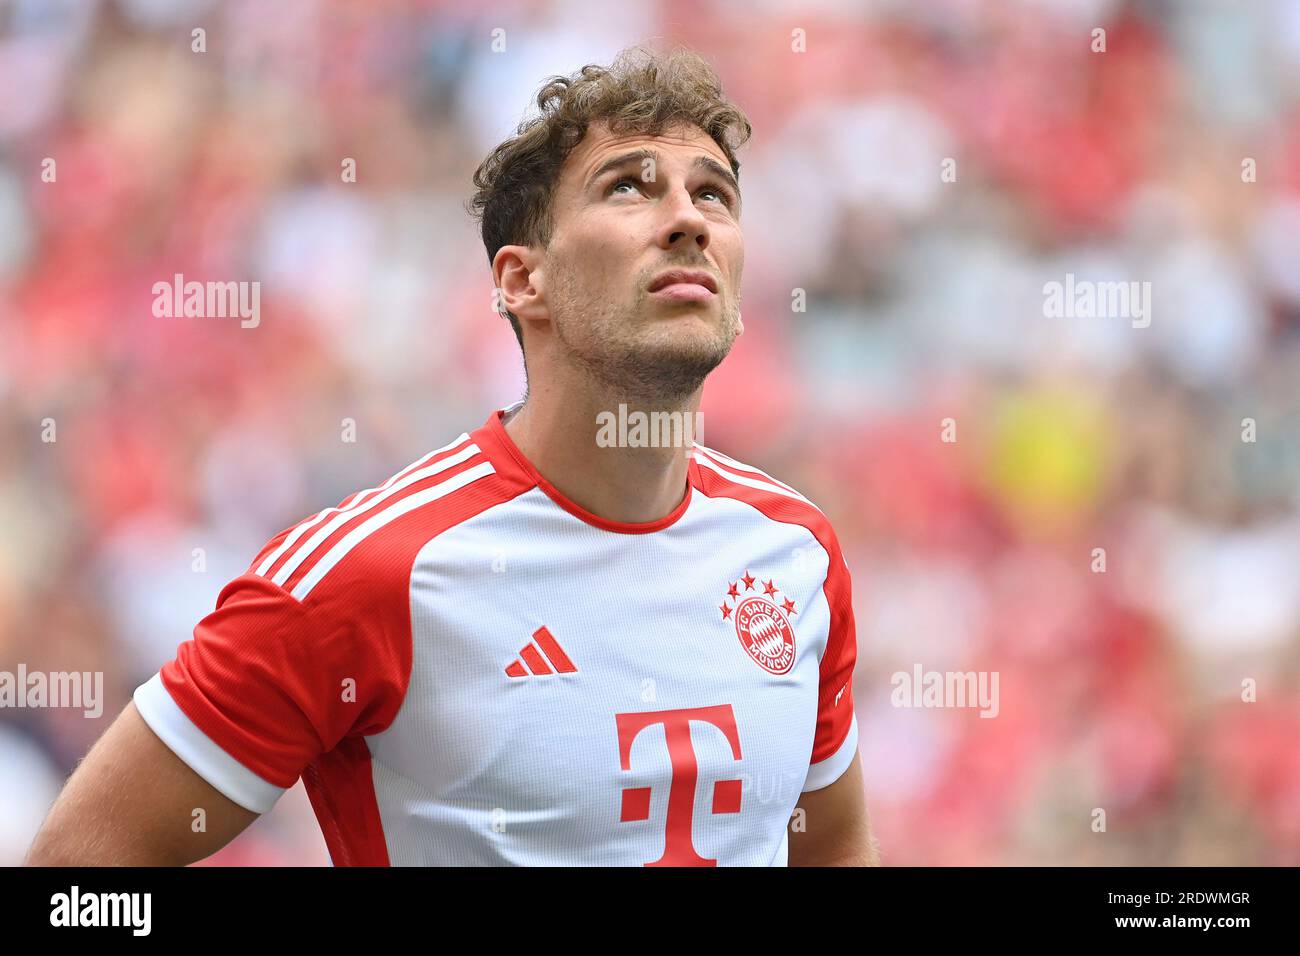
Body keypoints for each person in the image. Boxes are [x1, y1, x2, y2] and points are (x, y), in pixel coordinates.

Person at [25, 46, 877, 867]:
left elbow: (832, 849)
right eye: (629, 188)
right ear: (521, 281)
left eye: (715, 196)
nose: (689, 219)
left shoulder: (794, 552)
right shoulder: (370, 572)